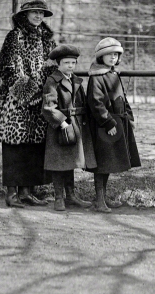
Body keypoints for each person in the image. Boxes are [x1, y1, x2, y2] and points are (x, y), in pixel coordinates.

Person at [0, 0, 57, 208]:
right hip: (16, 100)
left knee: (34, 145)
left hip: (39, 101)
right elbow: (6, 69)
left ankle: (27, 192)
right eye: (34, 11)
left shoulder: (47, 40)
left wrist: (44, 93)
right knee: (14, 145)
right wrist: (26, 93)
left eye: (41, 12)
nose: (38, 15)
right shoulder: (14, 37)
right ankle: (11, 193)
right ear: (25, 13)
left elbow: (52, 67)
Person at [87, 37, 141, 213]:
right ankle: (99, 200)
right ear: (100, 57)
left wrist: (129, 117)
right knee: (102, 163)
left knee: (109, 162)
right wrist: (108, 122)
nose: (113, 58)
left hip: (117, 123)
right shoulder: (97, 77)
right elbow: (96, 103)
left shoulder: (113, 74)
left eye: (116, 55)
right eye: (109, 54)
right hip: (105, 126)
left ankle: (102, 198)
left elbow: (122, 98)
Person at [42, 44, 97, 211]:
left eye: (73, 63)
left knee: (71, 161)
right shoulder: (52, 81)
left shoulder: (76, 81)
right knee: (59, 163)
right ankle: (59, 197)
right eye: (67, 63)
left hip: (75, 125)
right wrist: (62, 122)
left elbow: (82, 103)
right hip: (60, 128)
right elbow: (48, 107)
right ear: (59, 64)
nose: (70, 66)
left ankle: (71, 196)